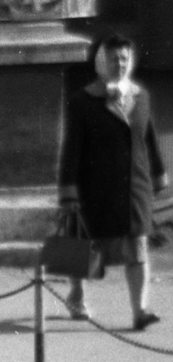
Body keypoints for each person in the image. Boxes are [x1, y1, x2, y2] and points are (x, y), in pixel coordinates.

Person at [59, 33, 168, 330]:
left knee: (138, 247)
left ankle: (139, 310)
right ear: (101, 62)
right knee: (85, 244)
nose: (119, 64)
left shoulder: (140, 96)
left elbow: (149, 138)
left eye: (124, 58)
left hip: (135, 186)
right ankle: (77, 294)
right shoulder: (83, 101)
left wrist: (159, 174)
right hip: (95, 188)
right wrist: (69, 191)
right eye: (113, 58)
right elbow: (72, 148)